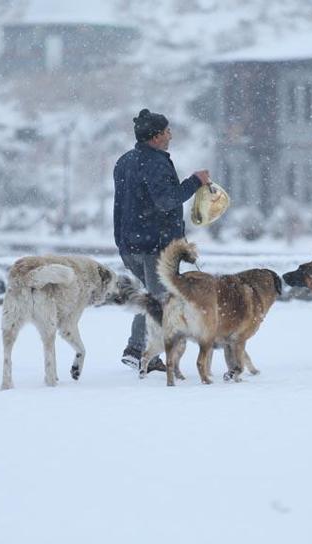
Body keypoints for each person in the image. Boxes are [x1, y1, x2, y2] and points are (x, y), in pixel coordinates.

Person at [113, 108, 210, 371]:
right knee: (158, 301)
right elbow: (166, 201)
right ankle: (138, 350)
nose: (170, 135)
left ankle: (142, 351)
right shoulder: (155, 163)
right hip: (154, 246)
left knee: (151, 297)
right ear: (155, 137)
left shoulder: (124, 161)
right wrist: (195, 182)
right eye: (167, 131)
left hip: (128, 244)